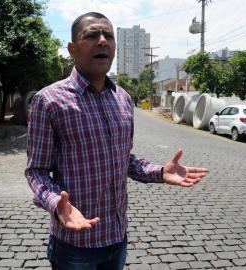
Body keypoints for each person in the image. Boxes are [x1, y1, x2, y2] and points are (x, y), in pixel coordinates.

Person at [25, 12, 209, 270]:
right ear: (72, 49)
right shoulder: (48, 101)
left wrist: (160, 172)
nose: (102, 41)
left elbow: (125, 161)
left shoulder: (122, 99)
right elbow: (36, 171)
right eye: (91, 35)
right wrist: (56, 204)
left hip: (117, 240)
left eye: (108, 36)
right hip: (74, 246)